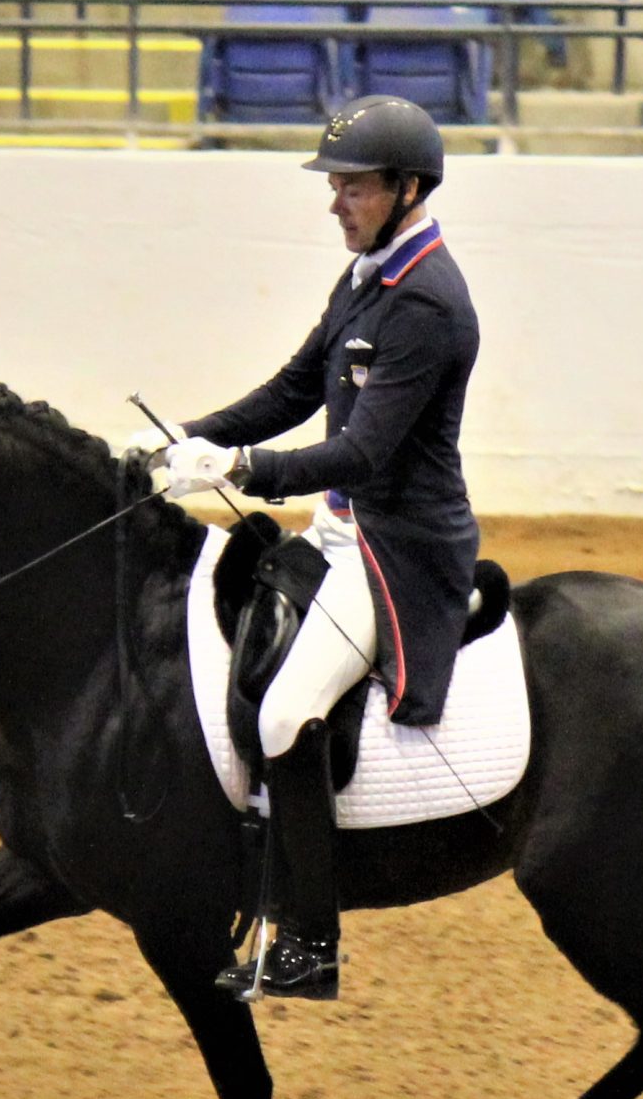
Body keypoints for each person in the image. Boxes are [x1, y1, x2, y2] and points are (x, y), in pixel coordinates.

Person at [163, 94, 482, 1002]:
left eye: (350, 186)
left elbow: (360, 451)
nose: (334, 202)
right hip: (343, 526)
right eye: (333, 184)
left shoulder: (426, 300)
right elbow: (296, 385)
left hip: (397, 545)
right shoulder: (370, 274)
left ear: (406, 187)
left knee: (284, 716)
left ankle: (309, 941)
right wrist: (185, 439)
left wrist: (240, 467)